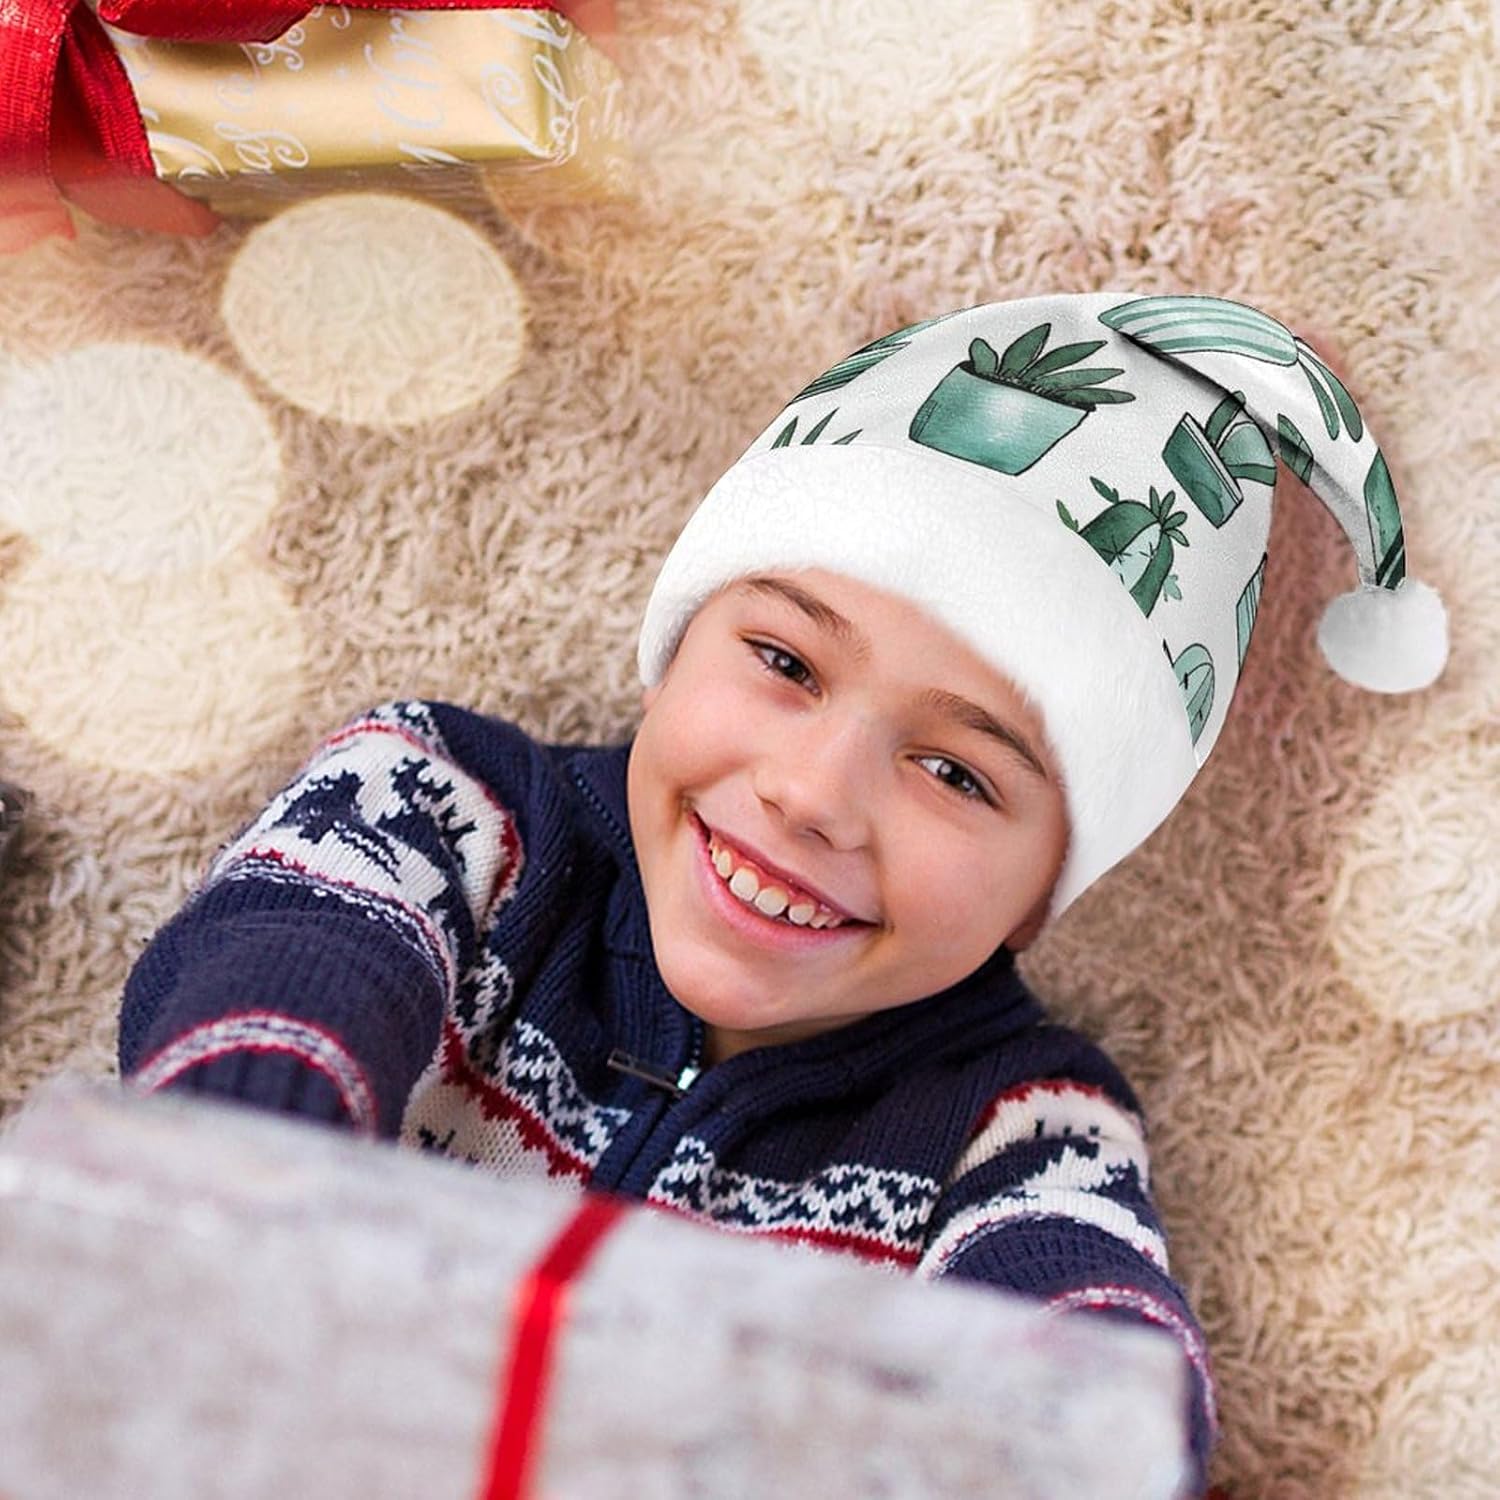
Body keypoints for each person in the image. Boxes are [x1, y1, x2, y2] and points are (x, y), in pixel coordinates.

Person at [116, 291, 1449, 1496]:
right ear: (673, 647)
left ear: (1045, 889)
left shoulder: (1019, 1118)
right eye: (786, 662)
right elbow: (296, 959)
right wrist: (242, 1162)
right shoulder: (449, 806)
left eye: (954, 772)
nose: (815, 792)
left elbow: (1097, 1356)